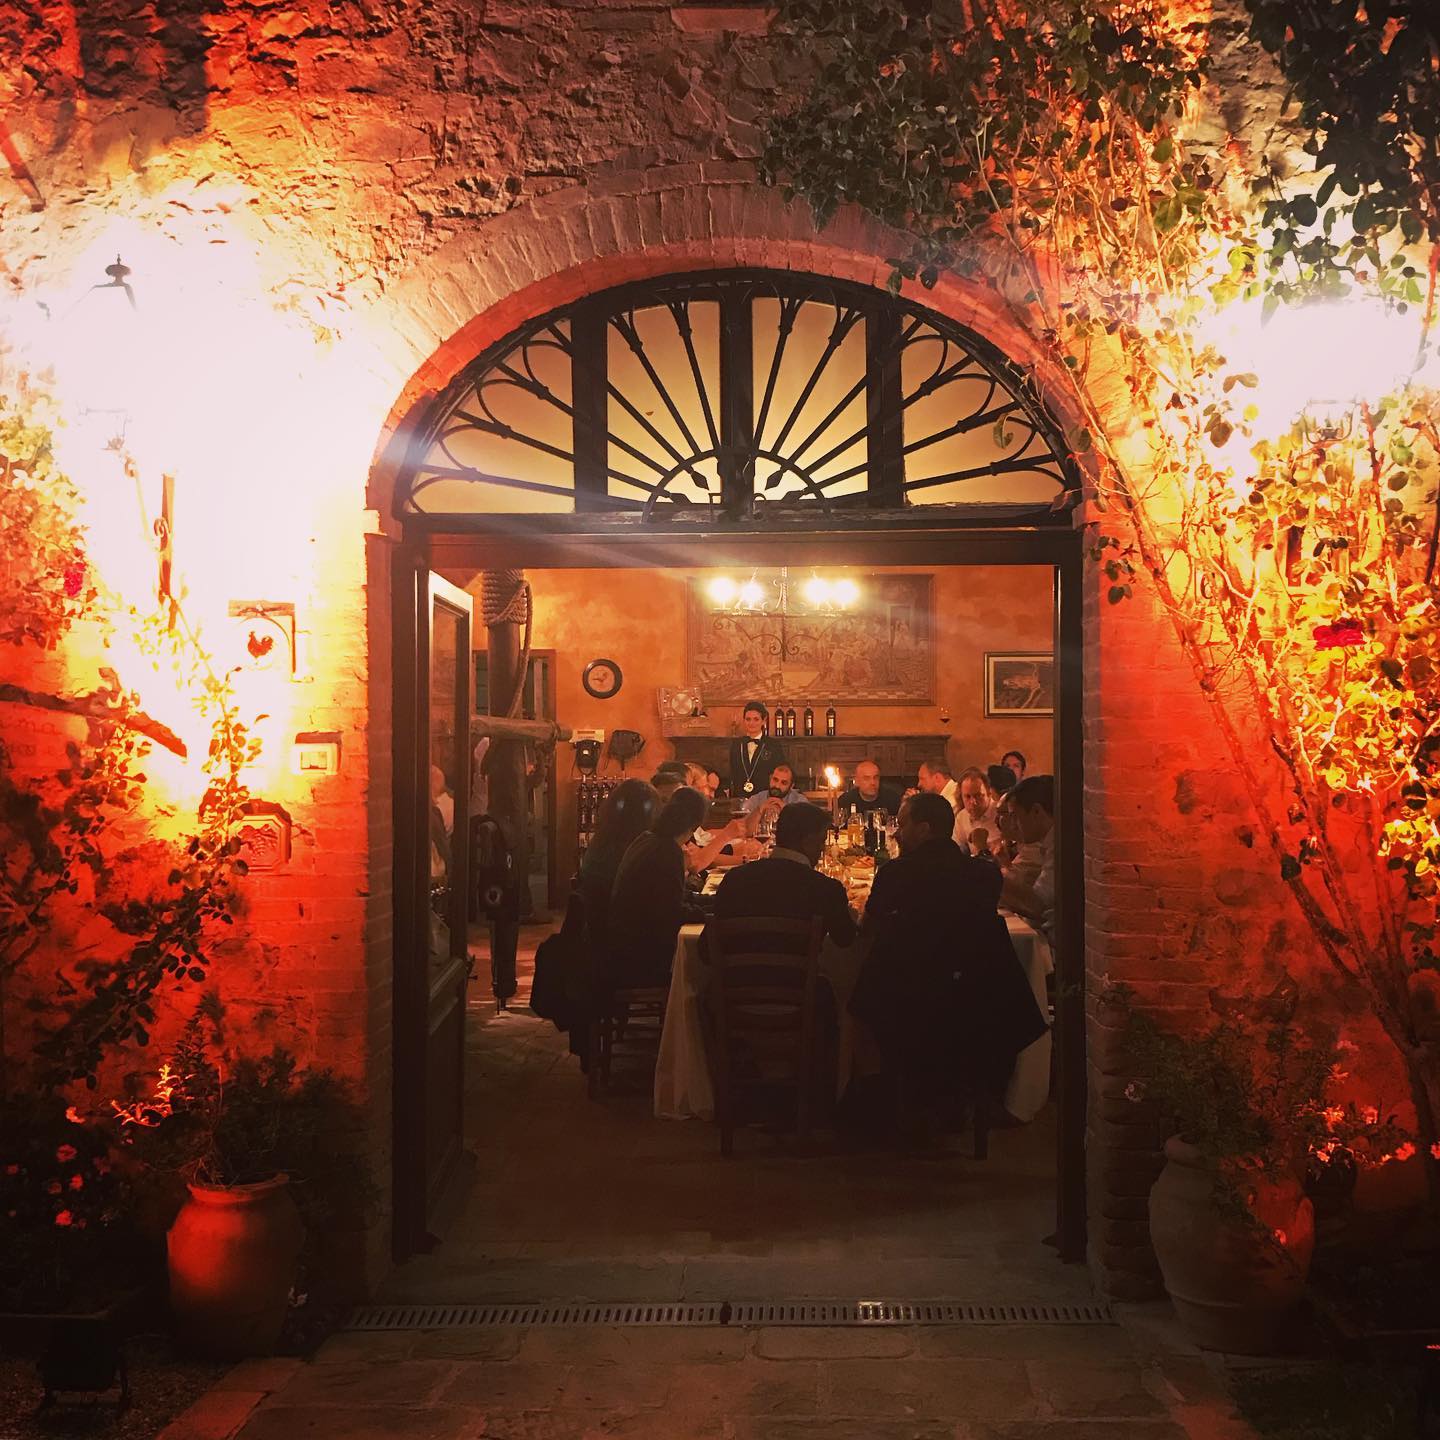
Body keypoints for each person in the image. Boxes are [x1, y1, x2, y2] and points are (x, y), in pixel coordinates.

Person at [849, 792, 1047, 1108]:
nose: (897, 833)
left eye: (903, 824)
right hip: (973, 996)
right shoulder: (982, 873)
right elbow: (1033, 905)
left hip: (908, 998)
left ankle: (876, 1098)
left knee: (857, 1002)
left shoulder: (896, 873)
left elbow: (867, 929)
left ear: (924, 829)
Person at [707, 802, 857, 950]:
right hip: (798, 967)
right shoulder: (826, 889)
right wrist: (851, 912)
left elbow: (706, 948)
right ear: (808, 842)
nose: (822, 849)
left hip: (737, 967)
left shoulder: (734, 879)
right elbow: (846, 940)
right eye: (821, 841)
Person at [607, 787, 708, 987]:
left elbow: (672, 896)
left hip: (621, 946)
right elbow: (672, 912)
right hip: (641, 958)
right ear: (692, 827)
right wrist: (710, 914)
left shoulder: (647, 839)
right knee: (707, 960)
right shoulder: (667, 851)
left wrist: (711, 901)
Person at [1000, 775, 1055, 937]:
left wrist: (991, 877)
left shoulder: (1060, 846)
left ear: (1036, 811)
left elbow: (1038, 904)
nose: (1013, 825)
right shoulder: (1049, 843)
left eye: (1015, 816)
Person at [728, 700, 787, 799]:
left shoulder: (773, 745)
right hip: (740, 798)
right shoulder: (736, 745)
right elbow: (733, 773)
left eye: (756, 719)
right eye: (748, 719)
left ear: (764, 721)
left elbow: (780, 773)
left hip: (765, 798)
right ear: (744, 720)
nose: (751, 723)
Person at [952, 766, 1000, 855]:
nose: (973, 802)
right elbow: (956, 849)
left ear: (989, 793)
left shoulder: (1001, 813)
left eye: (978, 796)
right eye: (967, 797)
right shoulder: (962, 817)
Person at [837, 758, 903, 819]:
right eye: (867, 778)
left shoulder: (892, 799)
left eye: (875, 777)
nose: (872, 782)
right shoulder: (845, 800)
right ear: (857, 781)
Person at [740, 762, 810, 816]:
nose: (777, 786)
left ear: (791, 786)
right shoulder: (757, 799)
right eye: (775, 780)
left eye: (784, 783)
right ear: (770, 778)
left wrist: (786, 810)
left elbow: (807, 823)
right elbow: (742, 821)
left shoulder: (799, 801)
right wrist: (759, 810)